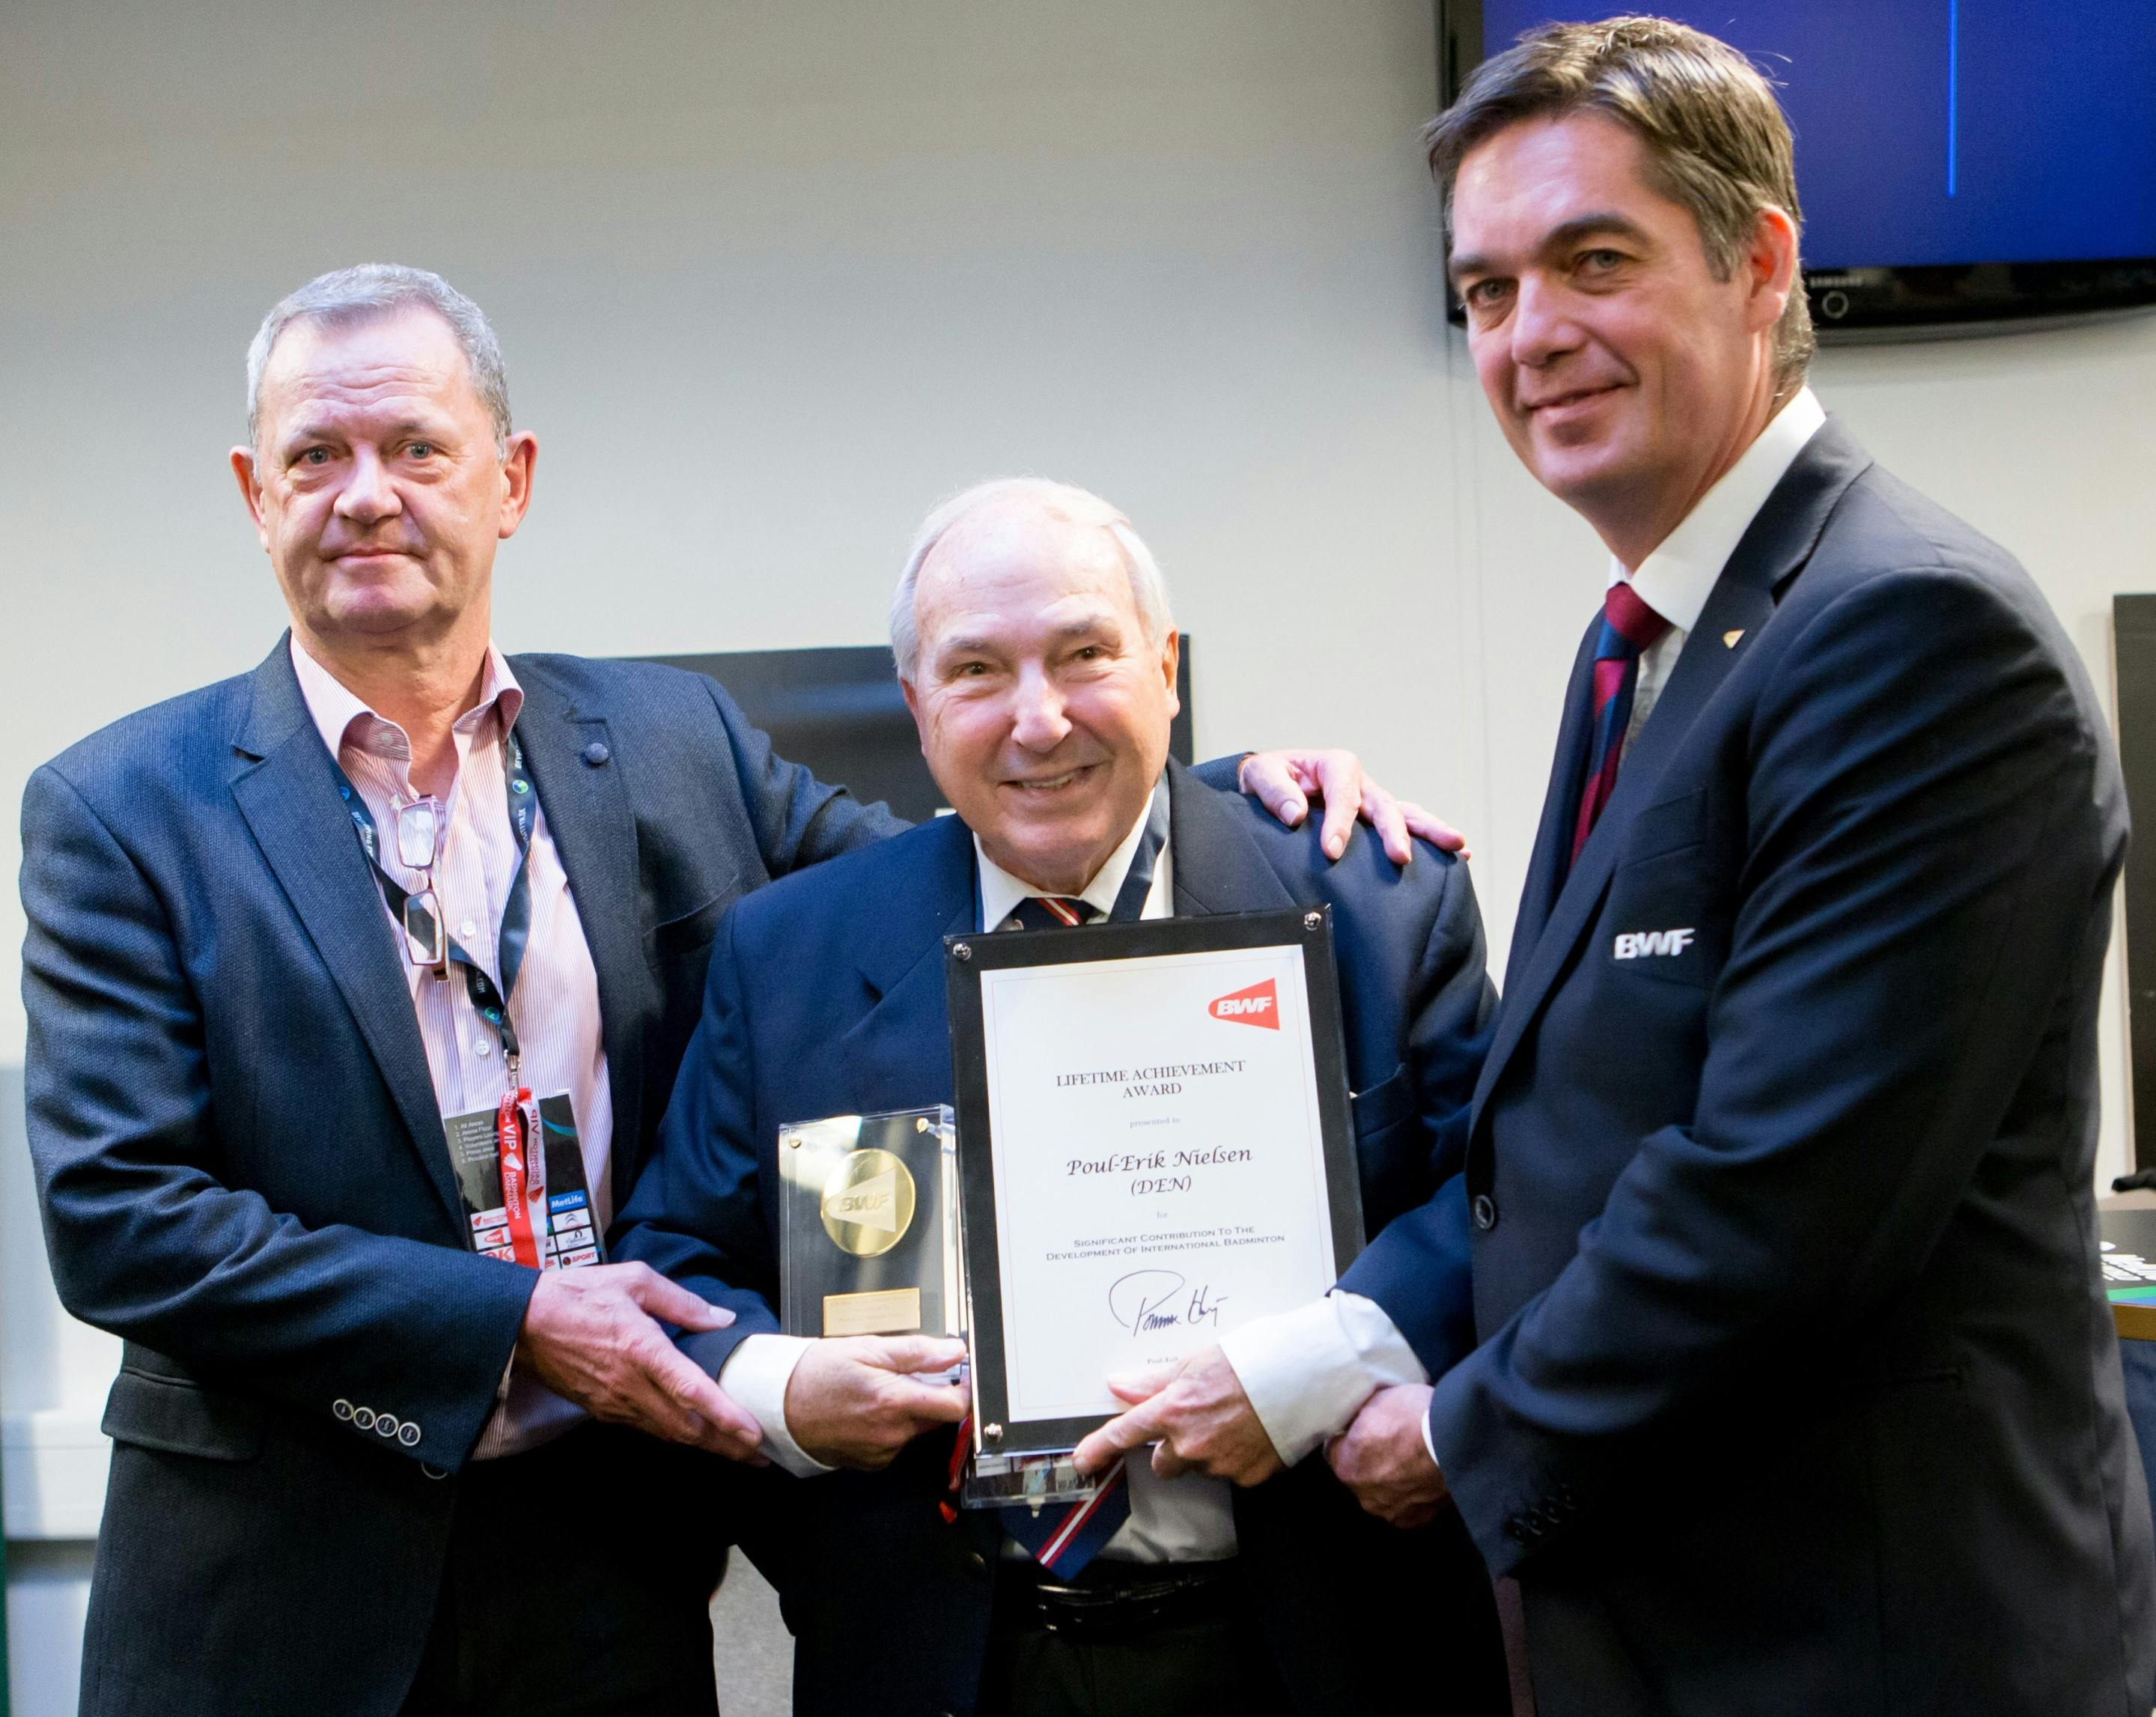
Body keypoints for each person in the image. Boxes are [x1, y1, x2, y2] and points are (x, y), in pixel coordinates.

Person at [19, 264, 1431, 1717]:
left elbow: (963, 875)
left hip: (605, 1563)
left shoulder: (665, 736)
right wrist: (510, 1320)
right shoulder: (127, 806)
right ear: (258, 492)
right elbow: (124, 1223)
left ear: (510, 480)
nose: (366, 494)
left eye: (417, 449)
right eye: (317, 454)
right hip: (279, 1579)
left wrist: (1227, 799)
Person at [1079, 19, 2156, 1717]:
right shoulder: (1652, 646)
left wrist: (1451, 1431)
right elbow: (1563, 1145)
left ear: (1759, 263)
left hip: (1865, 1647)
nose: (1532, 335)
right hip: (1677, 1626)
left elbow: (1775, 1200)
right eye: (1489, 291)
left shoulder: (1908, 632)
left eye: (1593, 261)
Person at [611, 478, 1512, 1717]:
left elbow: (1508, 1197)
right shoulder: (788, 956)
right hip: (942, 1662)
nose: (1039, 721)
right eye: (977, 671)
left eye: (1086, 654)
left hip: (1328, 1648)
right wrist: (784, 1390)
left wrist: (1305, 1369)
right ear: (920, 710)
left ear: (1167, 668)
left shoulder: (1377, 901)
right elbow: (671, 1258)